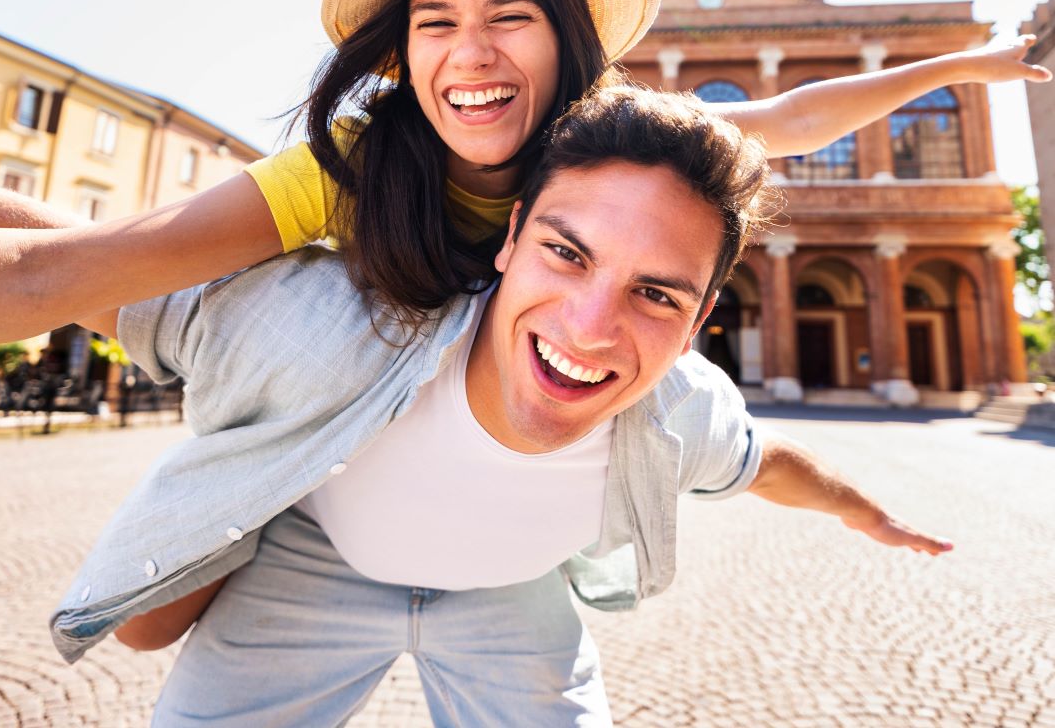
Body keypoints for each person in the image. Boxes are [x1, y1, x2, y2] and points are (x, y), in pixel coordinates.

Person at [51, 87, 951, 726]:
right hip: (311, 564)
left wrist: (866, 512)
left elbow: (769, 462)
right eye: (567, 254)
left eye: (657, 295)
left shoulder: (679, 411)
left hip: (509, 601)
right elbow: (79, 267)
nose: (591, 329)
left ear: (699, 322)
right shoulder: (326, 321)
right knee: (143, 631)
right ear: (511, 237)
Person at [0, 0, 1049, 344]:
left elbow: (799, 115)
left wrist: (984, 67)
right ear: (398, 54)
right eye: (435, 23)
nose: (472, 56)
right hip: (287, 367)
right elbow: (69, 272)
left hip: (470, 425)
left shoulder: (608, 146)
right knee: (118, 288)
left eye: (511, 16)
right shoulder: (352, 159)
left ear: (571, 36)